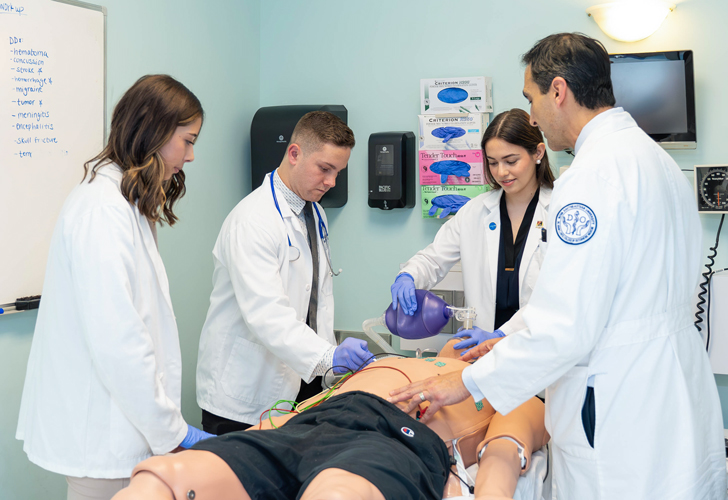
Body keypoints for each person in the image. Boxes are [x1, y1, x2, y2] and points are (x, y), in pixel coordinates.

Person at [390, 33, 726, 499]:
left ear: (559, 91)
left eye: (532, 97)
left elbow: (565, 324)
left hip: (615, 405)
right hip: (671, 390)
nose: (534, 115)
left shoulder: (588, 179)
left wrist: (466, 382)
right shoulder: (659, 163)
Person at [16, 75, 214, 500]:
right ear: (154, 131)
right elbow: (119, 342)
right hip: (104, 437)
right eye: (187, 140)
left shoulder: (124, 201)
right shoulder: (101, 210)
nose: (192, 155)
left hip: (123, 431)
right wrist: (171, 431)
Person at [112, 339, 550, 500]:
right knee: (164, 477)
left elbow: (504, 456)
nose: (477, 346)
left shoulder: (505, 390)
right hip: (314, 422)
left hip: (397, 437)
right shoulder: (398, 360)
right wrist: (257, 436)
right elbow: (297, 413)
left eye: (496, 345)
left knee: (336, 493)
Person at [196, 111, 374, 435]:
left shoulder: (314, 212)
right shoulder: (252, 221)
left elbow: (315, 302)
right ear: (294, 154)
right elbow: (268, 315)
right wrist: (329, 356)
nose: (332, 182)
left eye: (338, 172)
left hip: (299, 387)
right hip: (243, 398)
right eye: (325, 169)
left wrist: (329, 372)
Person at [391, 108, 554, 353]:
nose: (501, 172)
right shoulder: (475, 211)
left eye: (511, 161)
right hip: (483, 355)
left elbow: (555, 295)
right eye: (492, 162)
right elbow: (434, 258)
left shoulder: (558, 210)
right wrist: (409, 276)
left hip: (540, 353)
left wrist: (503, 334)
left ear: (537, 153)